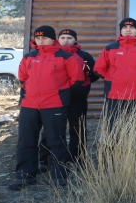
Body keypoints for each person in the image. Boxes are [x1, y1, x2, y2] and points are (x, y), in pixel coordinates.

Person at [8, 26, 84, 190]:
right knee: (26, 141)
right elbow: (23, 78)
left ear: (52, 39)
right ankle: (25, 177)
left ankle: (59, 178)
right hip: (30, 105)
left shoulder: (65, 57)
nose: (40, 40)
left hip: (54, 105)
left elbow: (77, 79)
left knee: (56, 141)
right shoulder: (29, 57)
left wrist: (60, 94)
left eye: (44, 37)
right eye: (37, 37)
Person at [38, 29, 99, 172]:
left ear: (75, 40)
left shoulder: (84, 57)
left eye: (69, 38)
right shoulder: (51, 55)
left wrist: (82, 87)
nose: (66, 40)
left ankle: (77, 159)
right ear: (57, 40)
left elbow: (93, 74)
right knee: (50, 129)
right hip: (54, 98)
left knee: (77, 129)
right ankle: (45, 160)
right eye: (63, 37)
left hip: (77, 98)